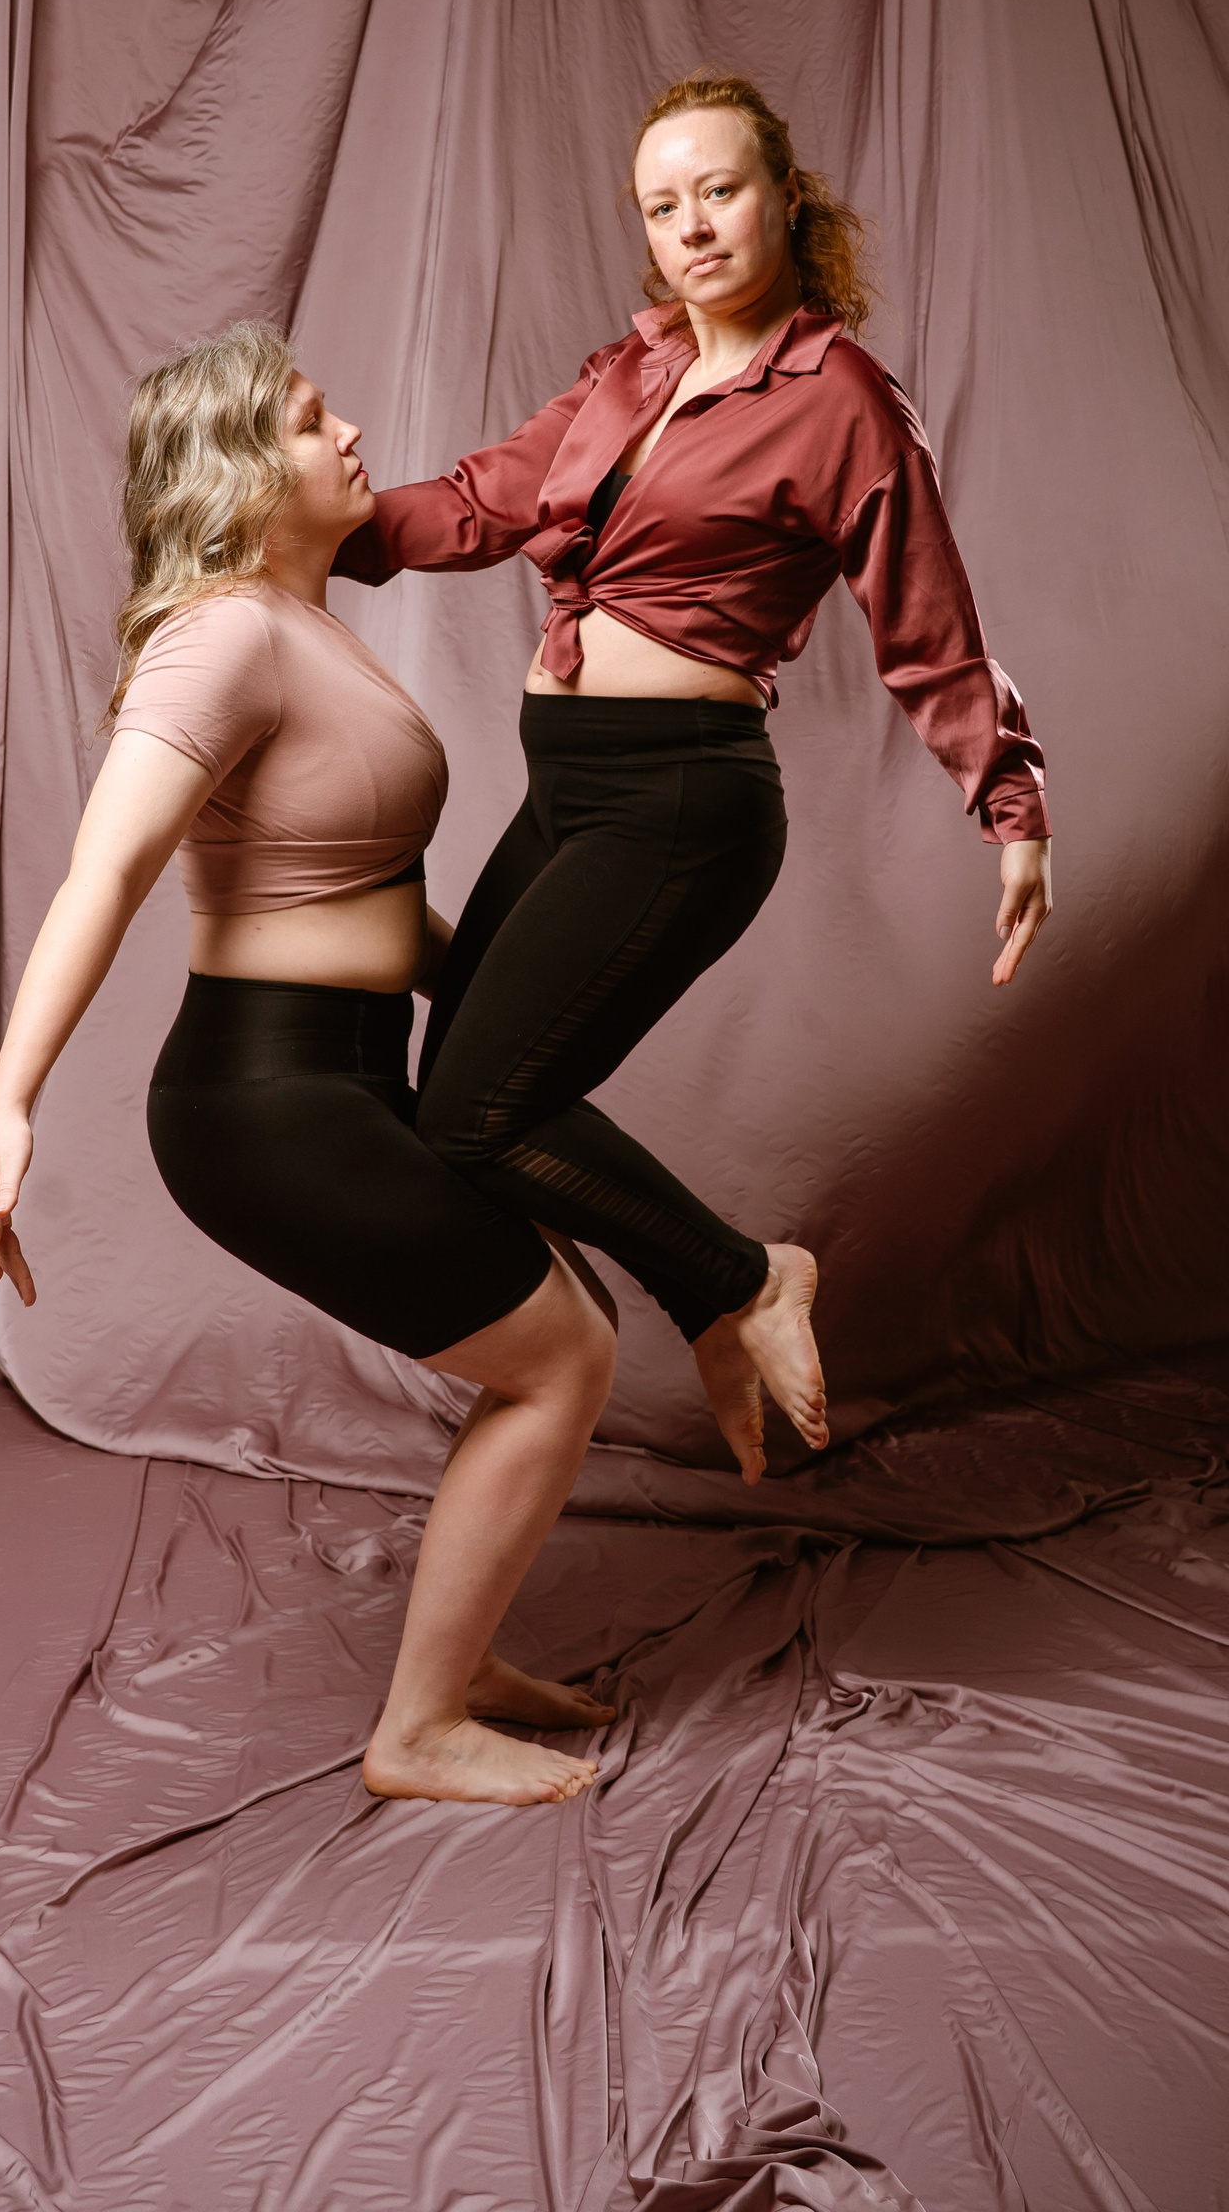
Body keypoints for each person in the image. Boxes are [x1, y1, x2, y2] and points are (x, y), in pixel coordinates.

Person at [0, 321, 812, 1809]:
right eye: (311, 421)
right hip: (264, 1101)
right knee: (560, 1357)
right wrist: (10, 1097)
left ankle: (462, 1664)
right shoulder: (221, 637)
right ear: (244, 477)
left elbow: (354, 899)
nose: (350, 432)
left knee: (566, 1327)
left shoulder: (301, 626)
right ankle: (418, 1731)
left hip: (347, 1073)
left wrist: (518, 980)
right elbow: (107, 869)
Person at [334, 72, 1054, 1480]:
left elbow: (928, 623)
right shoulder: (635, 368)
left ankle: (743, 1280)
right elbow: (483, 503)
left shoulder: (842, 400)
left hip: (680, 802)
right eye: (664, 207)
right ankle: (698, 1308)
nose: (695, 227)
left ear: (786, 198)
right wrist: (304, 535)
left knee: (480, 1112)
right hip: (570, 789)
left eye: (720, 191)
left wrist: (1011, 804)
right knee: (456, 1105)